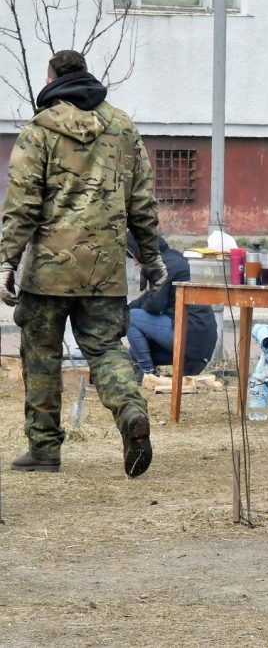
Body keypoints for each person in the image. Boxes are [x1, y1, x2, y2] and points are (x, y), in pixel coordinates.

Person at [0, 50, 165, 477]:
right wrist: (151, 258)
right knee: (106, 349)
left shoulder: (40, 130)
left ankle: (43, 449)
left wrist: (7, 261)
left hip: (49, 271)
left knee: (41, 354)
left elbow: (22, 204)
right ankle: (130, 411)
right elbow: (142, 202)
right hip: (104, 270)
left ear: (51, 79)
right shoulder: (123, 126)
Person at [125, 234, 218, 381]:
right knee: (135, 351)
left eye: (134, 257)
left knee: (130, 317)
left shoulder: (165, 266)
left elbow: (154, 305)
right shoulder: (173, 259)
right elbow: (149, 297)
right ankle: (147, 370)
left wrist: (125, 313)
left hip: (190, 337)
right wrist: (124, 308)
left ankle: (147, 373)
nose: (135, 263)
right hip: (200, 347)